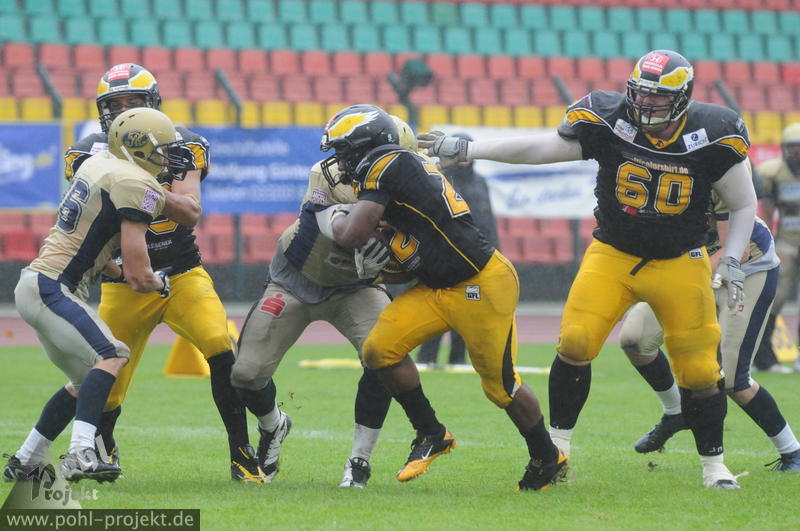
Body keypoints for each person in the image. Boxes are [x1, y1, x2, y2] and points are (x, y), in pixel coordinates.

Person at [419, 50, 757, 489]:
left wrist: (731, 257)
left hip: (680, 259)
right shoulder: (610, 118)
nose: (645, 103)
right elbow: (543, 149)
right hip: (613, 253)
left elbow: (743, 202)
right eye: (640, 93)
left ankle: (714, 466)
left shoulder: (713, 132)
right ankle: (558, 451)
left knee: (698, 371)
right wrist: (470, 149)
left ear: (682, 97)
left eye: (657, 96)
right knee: (575, 341)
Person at [317, 104, 567, 491]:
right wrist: (382, 267)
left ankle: (547, 457)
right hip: (437, 286)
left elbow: (350, 234)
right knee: (379, 351)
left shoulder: (386, 164)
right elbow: (413, 257)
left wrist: (329, 215)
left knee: (500, 388)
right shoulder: (399, 174)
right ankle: (431, 432)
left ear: (369, 145)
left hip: (480, 283)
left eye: (345, 151)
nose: (340, 161)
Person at [63, 63, 266, 483]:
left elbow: (190, 212)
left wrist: (142, 186)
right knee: (108, 381)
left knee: (220, 345)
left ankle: (242, 455)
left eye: (134, 101)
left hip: (181, 272)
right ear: (102, 111)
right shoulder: (87, 153)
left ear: (153, 103)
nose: (125, 110)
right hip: (122, 283)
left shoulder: (182, 144)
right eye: (116, 104)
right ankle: (103, 445)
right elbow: (83, 229)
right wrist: (116, 267)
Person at [229, 116, 419, 488]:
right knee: (246, 374)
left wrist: (393, 258)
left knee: (384, 357)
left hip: (356, 286)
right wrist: (375, 238)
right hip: (295, 278)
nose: (341, 161)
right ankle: (273, 425)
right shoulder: (326, 175)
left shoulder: (414, 186)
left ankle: (360, 460)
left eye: (352, 152)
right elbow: (334, 226)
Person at [3, 108, 179, 482]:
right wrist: (159, 282)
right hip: (53, 287)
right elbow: (138, 275)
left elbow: (96, 248)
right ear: (138, 147)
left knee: (84, 382)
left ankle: (25, 459)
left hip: (37, 283)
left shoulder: (99, 164)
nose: (166, 158)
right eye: (161, 149)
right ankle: (80, 453)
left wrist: (122, 272)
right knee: (113, 355)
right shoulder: (135, 181)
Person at [618, 183, 800, 471]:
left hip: (744, 269)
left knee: (731, 378)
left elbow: (736, 251)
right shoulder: (652, 182)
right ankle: (675, 412)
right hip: (690, 269)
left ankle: (792, 450)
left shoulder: (717, 177)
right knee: (634, 339)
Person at [417, 133, 499, 367]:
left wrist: (495, 251)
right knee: (437, 310)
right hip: (444, 257)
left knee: (467, 313)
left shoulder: (481, 182)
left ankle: (458, 361)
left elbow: (488, 221)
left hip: (475, 259)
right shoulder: (439, 179)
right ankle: (426, 360)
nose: (464, 158)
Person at [752, 122, 800, 372]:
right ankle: (764, 357)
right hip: (787, 241)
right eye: (793, 147)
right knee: (775, 297)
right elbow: (767, 210)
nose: (797, 153)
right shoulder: (773, 172)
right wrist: (767, 241)